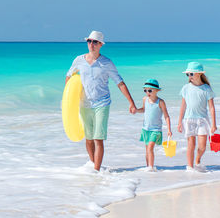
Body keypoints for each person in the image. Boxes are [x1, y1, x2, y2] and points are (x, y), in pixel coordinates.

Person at [65, 31, 137, 171]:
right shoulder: (78, 60)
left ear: (101, 45)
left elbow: (120, 83)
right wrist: (68, 102)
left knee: (98, 138)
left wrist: (131, 102)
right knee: (89, 138)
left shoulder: (107, 63)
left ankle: (97, 172)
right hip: (84, 104)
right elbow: (69, 77)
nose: (91, 44)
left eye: (95, 42)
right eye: (89, 41)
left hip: (102, 103)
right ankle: (93, 165)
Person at [177, 62, 217, 172]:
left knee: (202, 146)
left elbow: (212, 108)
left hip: (202, 120)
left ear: (199, 74)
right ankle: (189, 167)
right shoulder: (186, 88)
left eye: (191, 74)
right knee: (191, 144)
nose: (189, 76)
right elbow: (183, 106)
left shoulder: (206, 88)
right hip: (189, 119)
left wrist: (213, 124)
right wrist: (179, 122)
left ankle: (197, 161)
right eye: (187, 74)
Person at [135, 79, 172, 172]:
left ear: (157, 90)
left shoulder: (160, 102)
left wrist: (169, 129)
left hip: (156, 129)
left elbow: (166, 116)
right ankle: (148, 166)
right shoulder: (145, 99)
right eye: (145, 90)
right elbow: (143, 110)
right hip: (146, 128)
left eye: (150, 90)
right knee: (147, 148)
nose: (147, 92)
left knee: (150, 146)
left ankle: (151, 167)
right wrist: (136, 110)